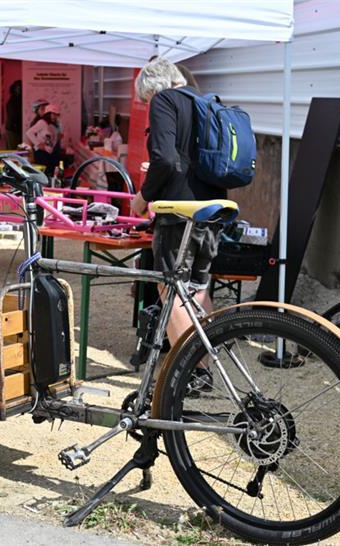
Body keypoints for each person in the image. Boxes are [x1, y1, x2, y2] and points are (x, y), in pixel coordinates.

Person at [129, 58, 226, 392]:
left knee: (171, 289)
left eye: (145, 99)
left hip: (180, 212)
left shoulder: (165, 100)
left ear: (154, 87)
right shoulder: (206, 101)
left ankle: (190, 374)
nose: (147, 106)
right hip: (213, 209)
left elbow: (166, 160)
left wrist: (143, 196)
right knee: (198, 287)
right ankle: (206, 367)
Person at [25, 103, 62, 176]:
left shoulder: (53, 125)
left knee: (51, 172)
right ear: (48, 114)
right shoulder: (42, 123)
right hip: (41, 153)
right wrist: (38, 144)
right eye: (53, 114)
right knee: (44, 173)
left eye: (56, 115)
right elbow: (29, 133)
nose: (55, 117)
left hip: (50, 152)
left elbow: (53, 139)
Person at [4, 80, 22, 149]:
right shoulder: (14, 100)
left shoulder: (14, 99)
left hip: (14, 129)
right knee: (13, 151)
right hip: (13, 129)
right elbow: (13, 116)